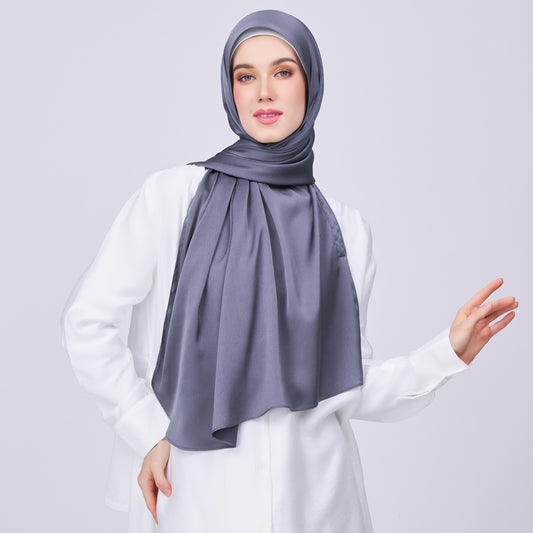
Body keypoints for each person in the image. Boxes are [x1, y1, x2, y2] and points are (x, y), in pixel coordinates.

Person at [60, 9, 518, 533]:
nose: (263, 93)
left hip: (319, 504)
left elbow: (347, 383)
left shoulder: (346, 229)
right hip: (197, 496)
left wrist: (447, 353)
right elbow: (88, 322)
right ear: (231, 91)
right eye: (245, 76)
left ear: (311, 83)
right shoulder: (172, 198)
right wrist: (146, 429)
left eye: (283, 71)